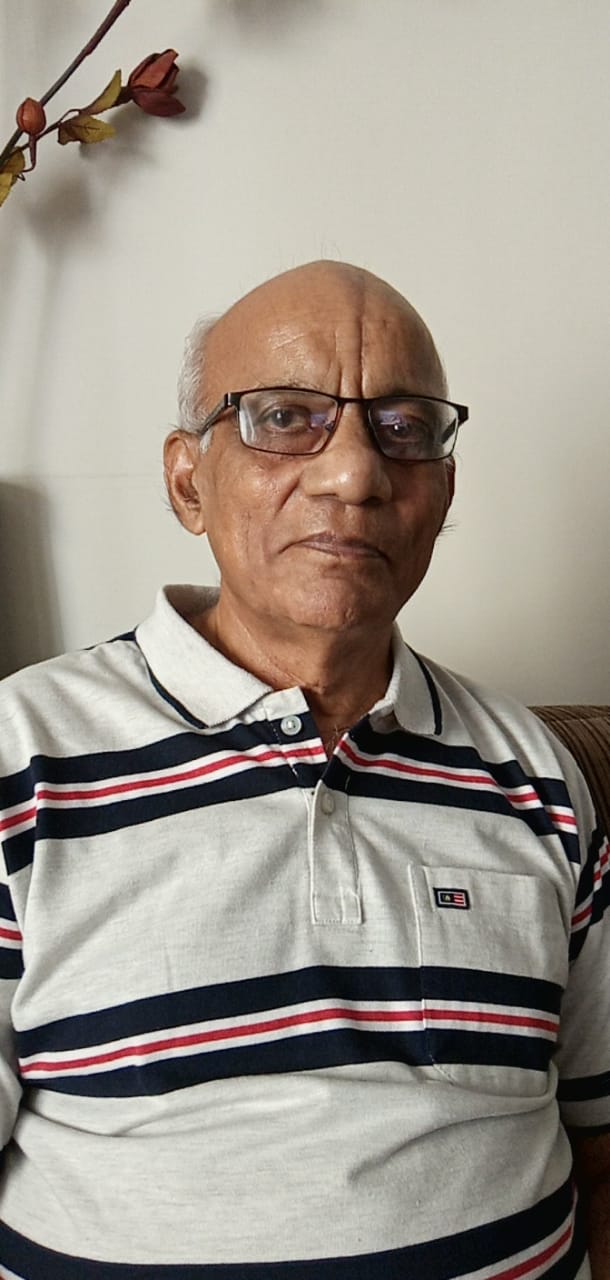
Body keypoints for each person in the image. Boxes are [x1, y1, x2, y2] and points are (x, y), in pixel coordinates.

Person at [0, 260, 608, 1279]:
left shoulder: (537, 776)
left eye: (404, 428)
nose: (354, 475)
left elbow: (600, 1136)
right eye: (285, 417)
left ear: (443, 490)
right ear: (187, 481)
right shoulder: (23, 756)